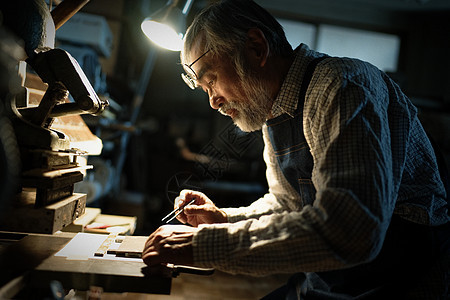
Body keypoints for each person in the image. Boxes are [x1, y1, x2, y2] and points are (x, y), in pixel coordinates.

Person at [142, 0, 450, 298]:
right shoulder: (273, 110)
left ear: (256, 48)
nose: (213, 101)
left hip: (399, 281)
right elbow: (288, 204)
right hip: (334, 281)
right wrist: (223, 219)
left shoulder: (341, 87)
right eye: (205, 89)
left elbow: (352, 231)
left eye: (212, 81)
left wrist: (205, 246)